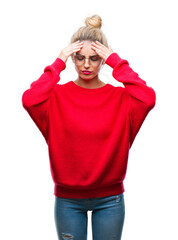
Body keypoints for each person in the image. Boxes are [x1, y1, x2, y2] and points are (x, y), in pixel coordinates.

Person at [22, 15, 156, 240]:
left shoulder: (120, 98)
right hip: (68, 201)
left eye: (94, 58)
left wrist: (116, 61)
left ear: (102, 60)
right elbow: (29, 100)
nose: (86, 65)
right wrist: (58, 61)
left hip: (110, 200)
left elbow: (148, 98)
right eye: (79, 57)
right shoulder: (56, 97)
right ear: (72, 58)